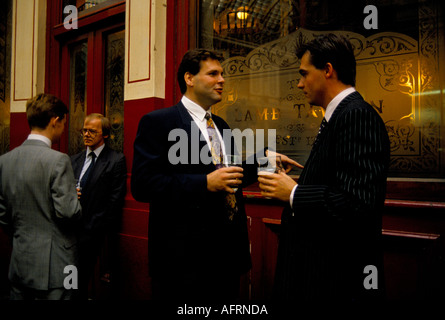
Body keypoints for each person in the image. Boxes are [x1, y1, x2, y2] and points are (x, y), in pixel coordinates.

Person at [258, 34, 390, 301]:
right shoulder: (339, 116)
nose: (299, 83)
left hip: (334, 278)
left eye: (304, 73)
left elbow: (358, 204)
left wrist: (293, 193)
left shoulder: (356, 115)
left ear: (328, 70)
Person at [131, 49, 258, 301]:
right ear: (189, 78)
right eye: (213, 74)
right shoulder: (159, 122)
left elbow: (229, 176)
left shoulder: (221, 125)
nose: (222, 80)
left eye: (222, 74)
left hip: (228, 255)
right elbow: (143, 185)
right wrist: (204, 183)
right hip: (184, 260)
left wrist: (265, 161)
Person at [0, 93, 82, 300]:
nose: (64, 129)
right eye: (64, 122)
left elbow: (3, 215)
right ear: (55, 121)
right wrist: (75, 198)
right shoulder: (59, 160)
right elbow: (68, 213)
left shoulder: (4, 161)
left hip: (19, 262)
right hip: (58, 266)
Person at [70, 113, 127, 300]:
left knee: (83, 279)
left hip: (95, 232)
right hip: (70, 230)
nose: (86, 134)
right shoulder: (74, 160)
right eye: (84, 130)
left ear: (105, 134)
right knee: (69, 279)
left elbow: (114, 200)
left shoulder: (115, 160)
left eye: (92, 131)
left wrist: (93, 228)